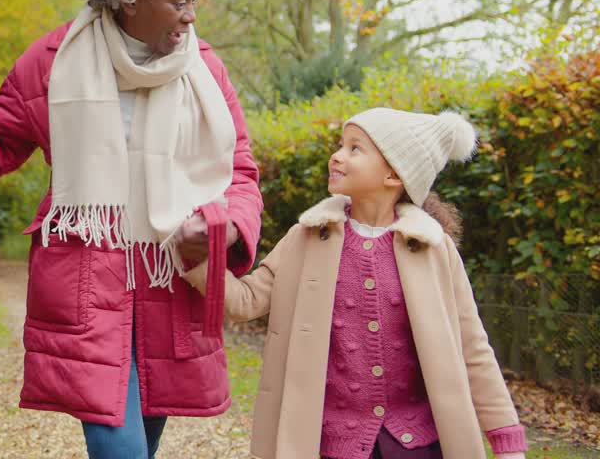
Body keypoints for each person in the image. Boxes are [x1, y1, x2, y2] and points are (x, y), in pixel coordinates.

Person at [0, 0, 263, 459]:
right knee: (117, 448)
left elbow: (240, 174)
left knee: (140, 444)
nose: (192, 15)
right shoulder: (52, 60)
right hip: (85, 282)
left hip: (171, 282)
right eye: (180, 0)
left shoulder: (206, 70)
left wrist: (218, 226)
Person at [183, 108, 528, 459]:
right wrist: (195, 257)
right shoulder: (305, 238)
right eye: (340, 145)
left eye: (355, 148)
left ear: (395, 173)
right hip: (333, 445)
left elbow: (473, 347)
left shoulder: (434, 251)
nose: (337, 156)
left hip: (418, 445)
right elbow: (246, 300)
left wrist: (506, 436)